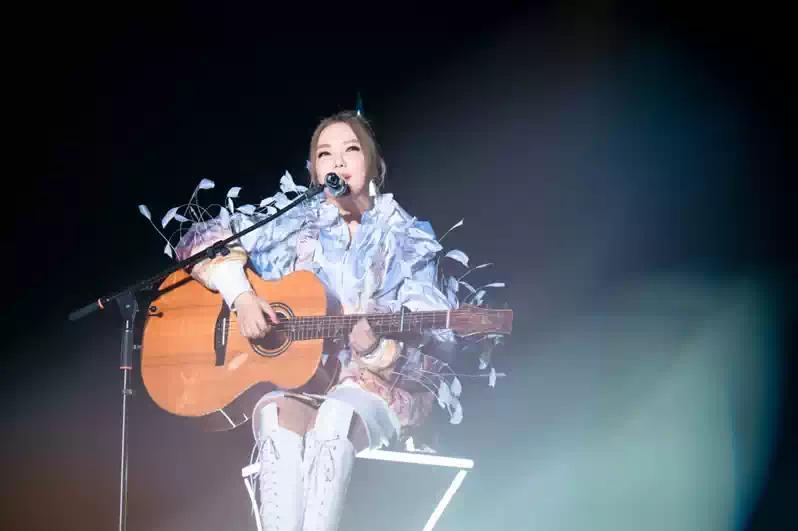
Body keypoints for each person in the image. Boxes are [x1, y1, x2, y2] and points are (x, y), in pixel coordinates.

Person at [170, 110, 467, 531]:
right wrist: (242, 297)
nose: (338, 161)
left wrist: (376, 349)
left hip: (372, 388)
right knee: (275, 422)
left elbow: (439, 347)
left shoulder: (404, 237)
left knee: (334, 419)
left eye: (351, 149)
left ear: (374, 163)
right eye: (325, 153)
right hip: (300, 381)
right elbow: (198, 241)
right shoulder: (293, 226)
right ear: (314, 170)